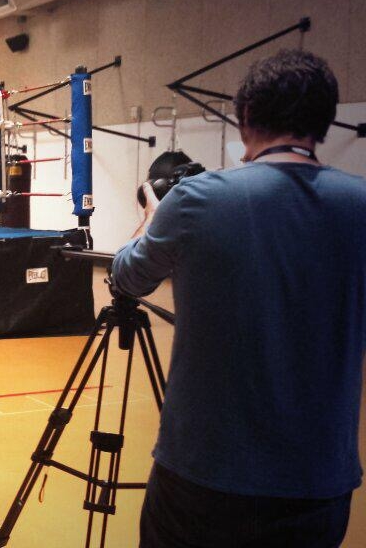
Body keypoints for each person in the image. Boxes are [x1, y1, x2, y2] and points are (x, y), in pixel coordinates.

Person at [111, 49, 366, 547]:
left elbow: (128, 276)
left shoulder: (196, 200)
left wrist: (152, 218)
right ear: (324, 121)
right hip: (318, 481)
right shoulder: (359, 205)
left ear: (245, 115)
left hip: (205, 475)